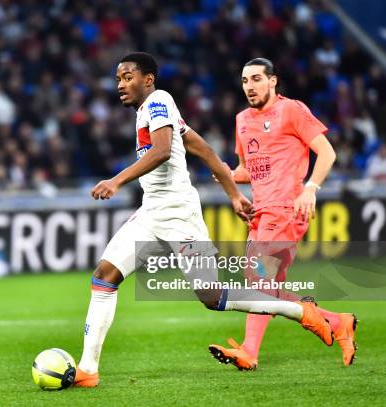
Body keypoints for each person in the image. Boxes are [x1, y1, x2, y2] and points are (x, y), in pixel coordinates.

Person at [74, 52, 334, 388]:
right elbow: (206, 151)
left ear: (148, 79)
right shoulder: (151, 112)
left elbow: (163, 150)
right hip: (153, 211)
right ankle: (87, 371)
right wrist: (235, 195)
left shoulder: (159, 101)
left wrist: (117, 180)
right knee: (104, 277)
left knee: (211, 297)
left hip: (180, 213)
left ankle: (302, 313)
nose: (121, 85)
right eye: (118, 79)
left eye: (128, 77)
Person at [209, 58, 357, 370]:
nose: (250, 86)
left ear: (273, 81)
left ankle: (249, 351)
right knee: (266, 290)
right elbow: (248, 171)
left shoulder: (292, 110)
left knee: (258, 284)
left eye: (257, 79)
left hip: (287, 209)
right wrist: (227, 174)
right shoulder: (242, 120)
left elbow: (328, 152)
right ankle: (336, 321)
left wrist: (311, 188)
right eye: (245, 80)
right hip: (259, 213)